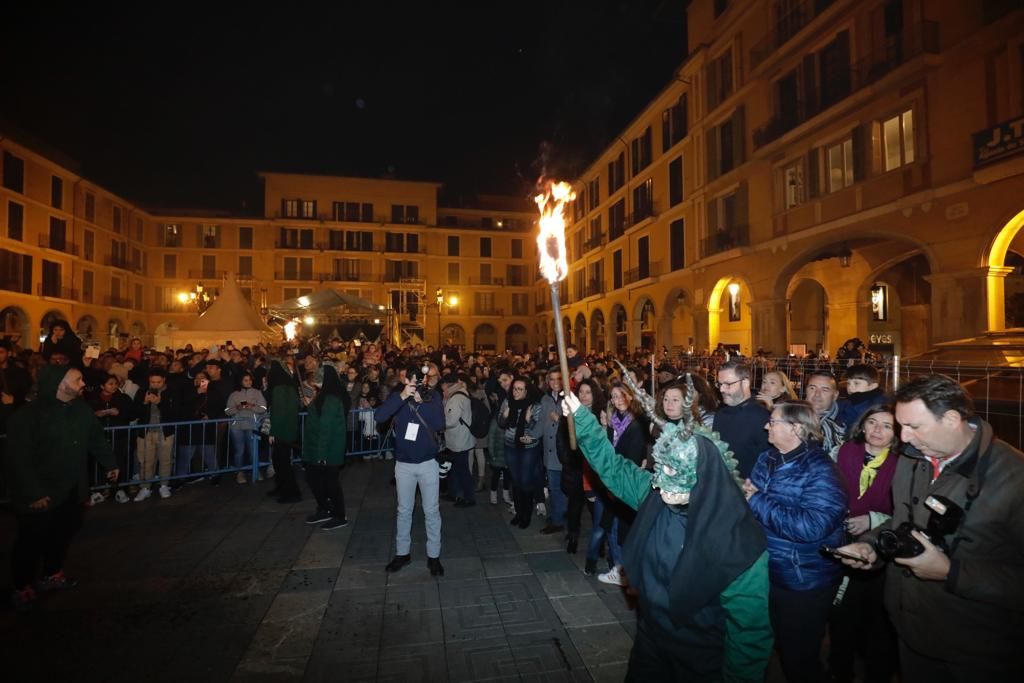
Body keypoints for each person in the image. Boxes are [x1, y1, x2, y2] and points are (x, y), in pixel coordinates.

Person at [561, 376, 772, 681]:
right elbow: (614, 468)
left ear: (703, 474)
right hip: (651, 642)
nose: (660, 481)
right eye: (660, 469)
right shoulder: (656, 494)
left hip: (701, 658)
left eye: (673, 471)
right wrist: (583, 419)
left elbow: (749, 635)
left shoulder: (740, 541)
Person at [837, 374, 1024, 681]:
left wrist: (951, 572)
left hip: (979, 649)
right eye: (901, 425)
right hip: (912, 632)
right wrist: (871, 545)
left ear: (951, 419)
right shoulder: (912, 459)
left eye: (913, 426)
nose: (904, 437)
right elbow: (902, 524)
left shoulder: (1014, 478)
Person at [743, 400, 848, 683]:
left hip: (803, 579)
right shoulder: (767, 458)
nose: (766, 425)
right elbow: (750, 496)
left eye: (773, 421)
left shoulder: (821, 470)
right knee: (769, 647)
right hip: (767, 569)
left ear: (796, 428)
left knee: (799, 657)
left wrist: (756, 500)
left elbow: (810, 526)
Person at [7, 365, 119, 610]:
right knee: (31, 539)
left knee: (62, 533)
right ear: (60, 384)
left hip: (71, 490)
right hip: (39, 492)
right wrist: (33, 492)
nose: (82, 383)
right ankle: (21, 585)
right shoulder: (27, 416)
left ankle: (51, 573)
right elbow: (19, 459)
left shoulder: (81, 410)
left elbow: (96, 438)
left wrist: (109, 463)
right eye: (77, 380)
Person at [829, 404, 900, 683]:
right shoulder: (846, 451)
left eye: (886, 425)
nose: (877, 430)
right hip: (843, 541)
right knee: (841, 614)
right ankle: (840, 669)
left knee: (877, 618)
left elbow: (905, 512)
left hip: (881, 550)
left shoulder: (902, 462)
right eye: (872, 423)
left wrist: (872, 519)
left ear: (896, 433)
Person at [375, 365, 445, 576]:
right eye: (408, 380)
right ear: (404, 380)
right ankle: (402, 553)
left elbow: (440, 423)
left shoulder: (433, 396)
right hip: (404, 464)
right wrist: (402, 397)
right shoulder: (398, 396)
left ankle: (434, 555)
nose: (413, 384)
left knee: (431, 511)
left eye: (417, 380)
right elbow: (379, 417)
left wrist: (424, 404)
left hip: (427, 463)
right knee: (404, 510)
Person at [302, 365, 349, 531]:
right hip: (318, 447)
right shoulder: (323, 396)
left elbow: (326, 427)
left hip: (328, 450)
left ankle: (339, 514)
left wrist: (322, 454)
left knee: (331, 483)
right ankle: (325, 508)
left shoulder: (331, 398)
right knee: (315, 479)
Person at [497, 376, 545, 529]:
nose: (515, 392)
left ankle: (526, 514)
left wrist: (528, 419)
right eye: (514, 389)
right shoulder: (507, 402)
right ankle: (519, 512)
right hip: (510, 445)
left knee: (525, 481)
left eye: (519, 389)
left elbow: (537, 429)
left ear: (526, 391)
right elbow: (501, 423)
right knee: (515, 481)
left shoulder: (535, 405)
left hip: (529, 447)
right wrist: (505, 415)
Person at [712, 360, 770, 478]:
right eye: (719, 384)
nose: (721, 389)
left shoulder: (763, 418)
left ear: (745, 383)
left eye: (727, 384)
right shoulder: (720, 415)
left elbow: (768, 463)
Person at [131, 368, 182, 500]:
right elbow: (134, 413)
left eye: (158, 382)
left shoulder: (172, 392)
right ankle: (145, 487)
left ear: (164, 380)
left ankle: (164, 485)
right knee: (146, 461)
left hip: (165, 432)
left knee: (165, 460)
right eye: (152, 382)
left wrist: (160, 403)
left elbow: (175, 413)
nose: (155, 385)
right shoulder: (142, 392)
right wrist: (144, 403)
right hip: (146, 432)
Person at [267, 358, 303, 503]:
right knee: (278, 460)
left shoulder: (279, 388)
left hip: (282, 431)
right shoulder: (288, 385)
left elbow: (278, 412)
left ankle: (291, 492)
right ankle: (281, 487)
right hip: (288, 429)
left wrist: (273, 432)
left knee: (282, 462)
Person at [539, 368, 569, 534]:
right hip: (549, 451)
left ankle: (558, 518)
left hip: (564, 451)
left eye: (558, 378)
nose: (555, 382)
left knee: (560, 487)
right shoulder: (545, 399)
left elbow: (576, 424)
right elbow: (541, 424)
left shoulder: (570, 399)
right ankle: (558, 514)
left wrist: (559, 421)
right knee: (554, 487)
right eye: (552, 379)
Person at [225, 371, 267, 484]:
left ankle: (256, 470)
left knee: (253, 449)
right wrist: (237, 408)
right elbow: (227, 411)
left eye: (250, 380)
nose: (249, 382)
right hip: (236, 426)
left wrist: (252, 406)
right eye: (246, 380)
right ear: (240, 381)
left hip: (252, 425)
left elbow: (263, 408)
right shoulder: (234, 394)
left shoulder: (257, 393)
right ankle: (239, 472)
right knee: (239, 450)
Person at [440, 373, 475, 507]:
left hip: (458, 439)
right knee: (455, 468)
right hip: (460, 438)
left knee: (462, 469)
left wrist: (440, 424)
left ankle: (469, 498)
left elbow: (451, 420)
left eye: (443, 388)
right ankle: (453, 493)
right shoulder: (460, 393)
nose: (443, 391)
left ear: (448, 385)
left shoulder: (455, 399)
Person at [836, 364, 888, 434]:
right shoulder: (850, 401)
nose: (850, 388)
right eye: (848, 383)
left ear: (872, 386)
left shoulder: (876, 406)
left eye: (856, 383)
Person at [805, 370, 845, 452]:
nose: (817, 394)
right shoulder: (790, 416)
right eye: (812, 388)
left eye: (825, 390)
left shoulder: (846, 422)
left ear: (835, 395)